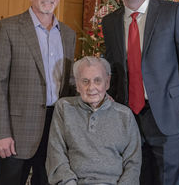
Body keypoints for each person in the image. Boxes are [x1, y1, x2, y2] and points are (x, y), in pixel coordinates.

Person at [102, 0, 179, 185]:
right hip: (129, 119)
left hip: (169, 118)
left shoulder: (173, 13)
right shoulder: (109, 23)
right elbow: (114, 70)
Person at [0, 0, 76, 185]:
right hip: (17, 132)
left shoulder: (68, 34)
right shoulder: (7, 28)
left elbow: (69, 84)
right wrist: (0, 133)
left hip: (56, 127)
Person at [47, 56, 142, 185]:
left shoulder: (125, 115)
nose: (91, 88)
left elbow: (133, 164)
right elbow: (56, 155)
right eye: (85, 81)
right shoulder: (64, 108)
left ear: (107, 82)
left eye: (98, 81)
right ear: (77, 85)